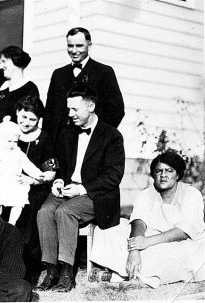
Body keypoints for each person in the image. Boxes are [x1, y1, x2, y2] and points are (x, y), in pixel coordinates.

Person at [35, 83, 125, 292]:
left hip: (95, 194)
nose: (70, 113)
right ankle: (51, 271)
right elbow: (60, 165)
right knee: (45, 211)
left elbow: (114, 175)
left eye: (75, 109)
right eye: (69, 109)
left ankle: (67, 272)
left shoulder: (111, 135)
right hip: (68, 189)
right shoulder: (67, 133)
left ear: (91, 106)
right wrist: (57, 181)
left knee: (66, 212)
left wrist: (82, 188)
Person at [90, 151, 205, 289]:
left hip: (181, 243)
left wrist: (146, 242)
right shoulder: (146, 194)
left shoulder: (191, 194)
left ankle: (129, 277)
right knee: (109, 228)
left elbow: (183, 232)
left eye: (169, 171)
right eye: (158, 171)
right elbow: (138, 221)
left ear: (178, 175)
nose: (163, 175)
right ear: (153, 175)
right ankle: (123, 273)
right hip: (146, 239)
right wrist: (135, 249)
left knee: (161, 252)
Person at [44, 27, 124, 142]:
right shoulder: (58, 74)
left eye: (79, 46)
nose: (74, 50)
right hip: (60, 144)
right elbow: (49, 113)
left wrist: (98, 137)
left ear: (89, 45)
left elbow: (116, 110)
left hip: (90, 143)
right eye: (70, 46)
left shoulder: (104, 72)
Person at [0, 116, 50, 226]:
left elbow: (27, 165)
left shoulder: (17, 152)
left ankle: (12, 222)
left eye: (15, 141)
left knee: (19, 199)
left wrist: (38, 174)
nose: (12, 144)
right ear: (0, 138)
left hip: (14, 182)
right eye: (9, 141)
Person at [15, 95, 57, 280]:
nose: (26, 122)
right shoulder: (9, 134)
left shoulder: (44, 137)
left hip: (36, 188)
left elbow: (51, 171)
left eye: (32, 119)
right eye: (23, 117)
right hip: (9, 185)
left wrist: (32, 180)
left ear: (39, 119)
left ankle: (28, 265)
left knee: (31, 208)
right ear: (17, 112)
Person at [0, 45, 39, 133]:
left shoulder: (29, 88)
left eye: (4, 61)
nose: (1, 66)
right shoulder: (2, 88)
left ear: (14, 61)